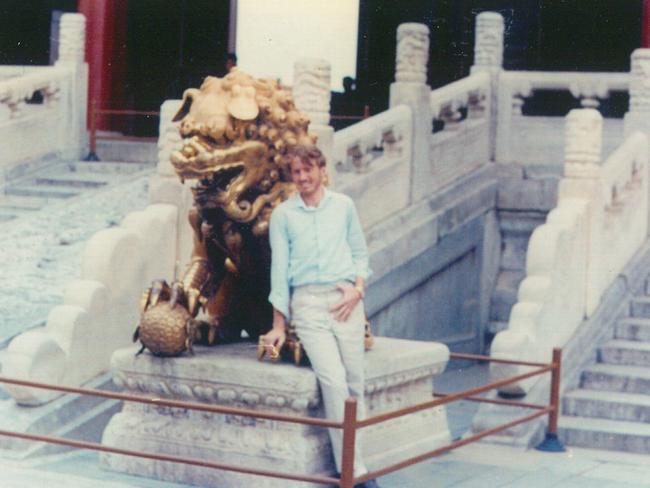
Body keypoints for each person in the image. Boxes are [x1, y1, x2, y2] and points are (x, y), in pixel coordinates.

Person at [263, 145, 379, 488]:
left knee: (356, 381)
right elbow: (279, 272)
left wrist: (357, 289)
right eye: (295, 173)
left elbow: (360, 253)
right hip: (309, 304)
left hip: (346, 300)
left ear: (321, 169)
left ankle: (357, 460)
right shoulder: (283, 215)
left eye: (307, 171)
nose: (302, 178)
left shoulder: (343, 206)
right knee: (333, 380)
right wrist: (278, 325)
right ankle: (354, 472)